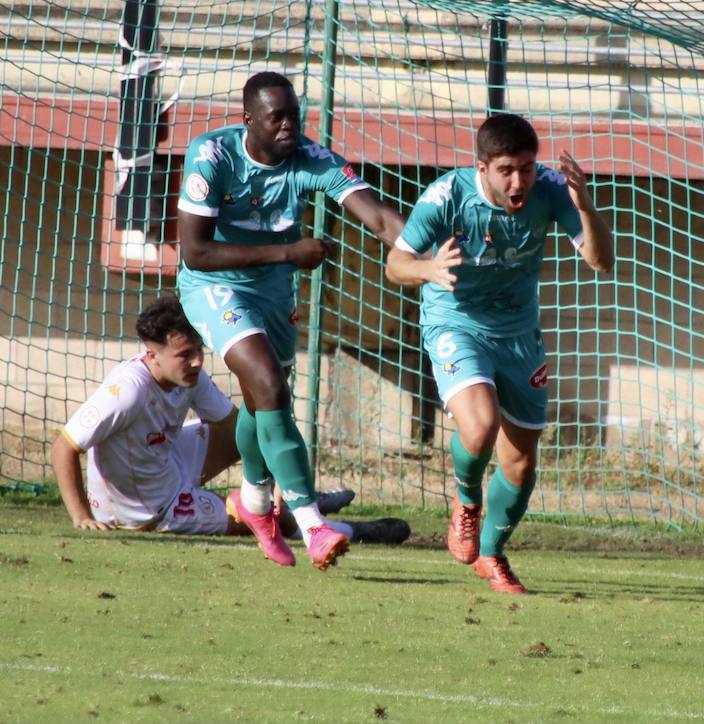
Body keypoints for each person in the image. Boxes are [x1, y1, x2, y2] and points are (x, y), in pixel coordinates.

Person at [177, 72, 408, 571]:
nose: (288, 127)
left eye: (293, 116)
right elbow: (194, 252)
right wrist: (287, 251)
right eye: (275, 117)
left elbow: (383, 221)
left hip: (274, 291)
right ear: (248, 120)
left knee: (262, 404)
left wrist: (433, 256)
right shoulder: (212, 155)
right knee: (270, 385)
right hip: (214, 285)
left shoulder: (312, 159)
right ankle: (311, 523)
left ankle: (256, 504)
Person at [385, 113, 614, 593]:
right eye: (507, 169)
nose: (519, 181)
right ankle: (467, 502)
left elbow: (600, 261)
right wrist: (428, 270)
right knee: (481, 425)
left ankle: (491, 555)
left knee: (521, 463)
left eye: (528, 167)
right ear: (482, 167)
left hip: (518, 334)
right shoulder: (446, 197)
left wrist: (585, 205)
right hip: (456, 322)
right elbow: (396, 264)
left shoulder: (551, 190)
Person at [51, 296, 406, 546]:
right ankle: (354, 530)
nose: (195, 362)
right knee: (263, 520)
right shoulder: (126, 391)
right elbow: (63, 447)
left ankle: (299, 495)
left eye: (197, 351)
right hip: (150, 510)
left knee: (246, 431)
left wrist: (282, 482)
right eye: (183, 355)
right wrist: (80, 515)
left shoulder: (190, 377)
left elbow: (245, 432)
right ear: (152, 356)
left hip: (167, 460)